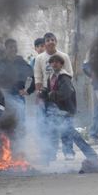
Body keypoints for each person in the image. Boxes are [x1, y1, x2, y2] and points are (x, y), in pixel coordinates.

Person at [39, 55, 98, 164]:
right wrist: (44, 93)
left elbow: (66, 93)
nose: (54, 64)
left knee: (71, 133)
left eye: (57, 62)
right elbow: (49, 91)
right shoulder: (51, 77)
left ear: (61, 64)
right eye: (52, 62)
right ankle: (50, 156)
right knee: (53, 131)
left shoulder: (64, 77)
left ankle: (91, 154)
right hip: (55, 110)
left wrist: (51, 94)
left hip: (64, 110)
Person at [34, 32, 75, 160]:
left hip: (63, 98)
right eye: (48, 40)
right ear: (44, 43)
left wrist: (62, 91)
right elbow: (38, 77)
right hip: (48, 98)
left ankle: (68, 152)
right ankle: (51, 154)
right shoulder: (40, 58)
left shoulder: (64, 56)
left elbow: (70, 74)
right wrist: (40, 96)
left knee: (66, 126)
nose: (50, 42)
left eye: (52, 39)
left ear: (56, 41)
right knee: (50, 127)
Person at [0, 39, 34, 143]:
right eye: (11, 47)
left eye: (15, 47)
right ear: (6, 49)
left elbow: (35, 76)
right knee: (3, 121)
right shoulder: (0, 63)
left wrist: (29, 91)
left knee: (20, 122)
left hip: (18, 96)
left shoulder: (21, 62)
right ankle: (3, 145)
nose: (13, 49)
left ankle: (19, 145)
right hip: (4, 96)